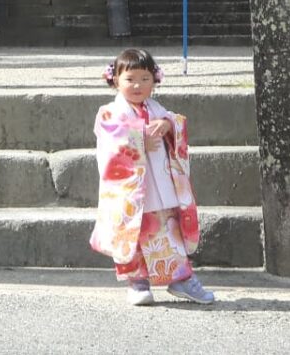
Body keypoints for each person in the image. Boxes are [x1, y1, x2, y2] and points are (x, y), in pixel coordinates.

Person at [88, 47, 215, 305]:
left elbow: (175, 122)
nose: (138, 85)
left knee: (168, 234)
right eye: (130, 79)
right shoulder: (109, 113)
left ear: (154, 80)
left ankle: (181, 279)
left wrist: (168, 125)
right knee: (133, 237)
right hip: (131, 193)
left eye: (145, 79)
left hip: (161, 189)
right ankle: (138, 283)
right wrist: (139, 138)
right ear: (115, 81)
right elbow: (113, 138)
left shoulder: (156, 108)